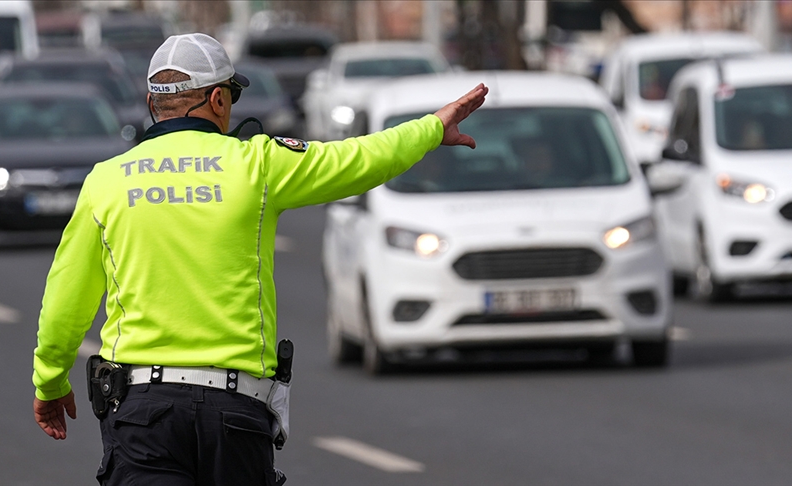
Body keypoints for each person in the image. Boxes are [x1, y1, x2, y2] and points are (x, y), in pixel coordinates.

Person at [32, 33, 487, 485]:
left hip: (143, 415)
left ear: (155, 103)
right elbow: (359, 160)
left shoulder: (106, 182)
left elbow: (65, 300)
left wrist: (50, 383)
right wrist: (430, 129)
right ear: (216, 100)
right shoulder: (258, 164)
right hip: (235, 413)